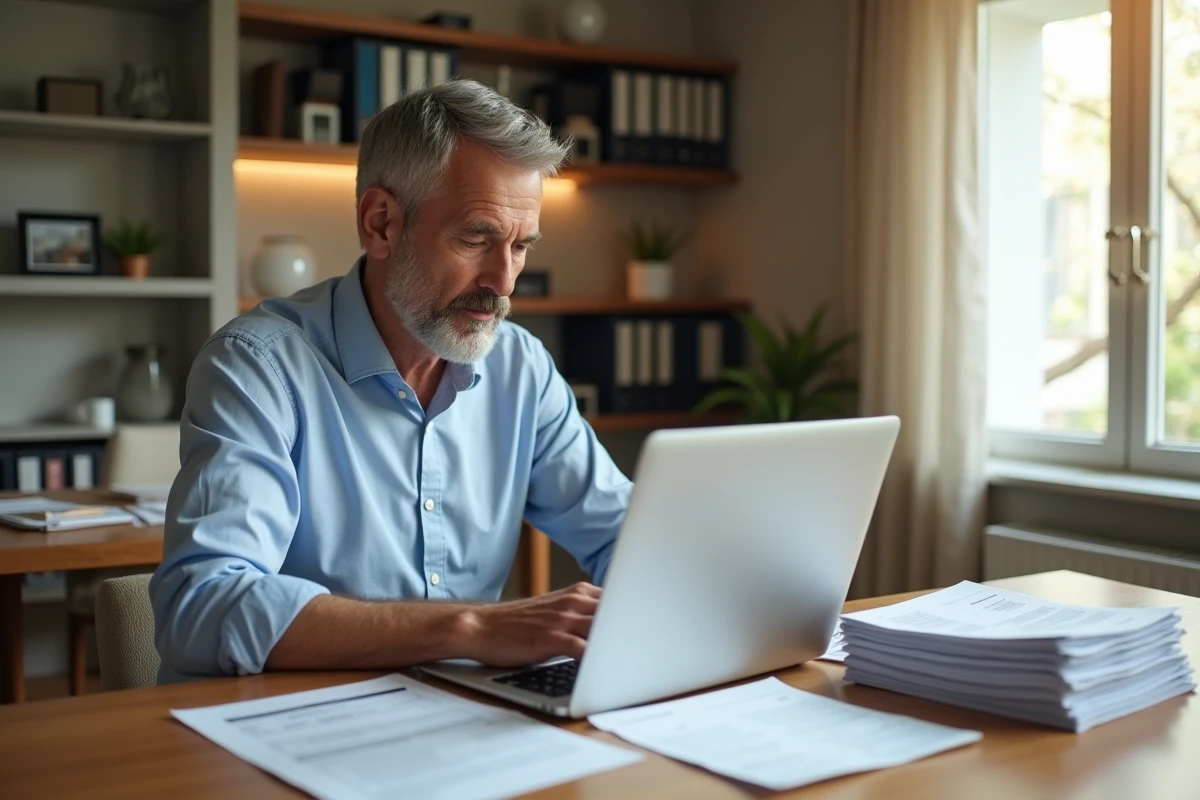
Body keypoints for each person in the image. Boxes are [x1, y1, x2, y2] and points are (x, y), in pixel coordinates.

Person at [150, 79, 632, 682]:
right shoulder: (256, 366)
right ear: (380, 224)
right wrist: (472, 627)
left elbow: (625, 536)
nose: (504, 282)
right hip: (291, 722)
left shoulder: (521, 369)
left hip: (462, 715)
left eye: (520, 247)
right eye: (476, 238)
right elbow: (201, 606)